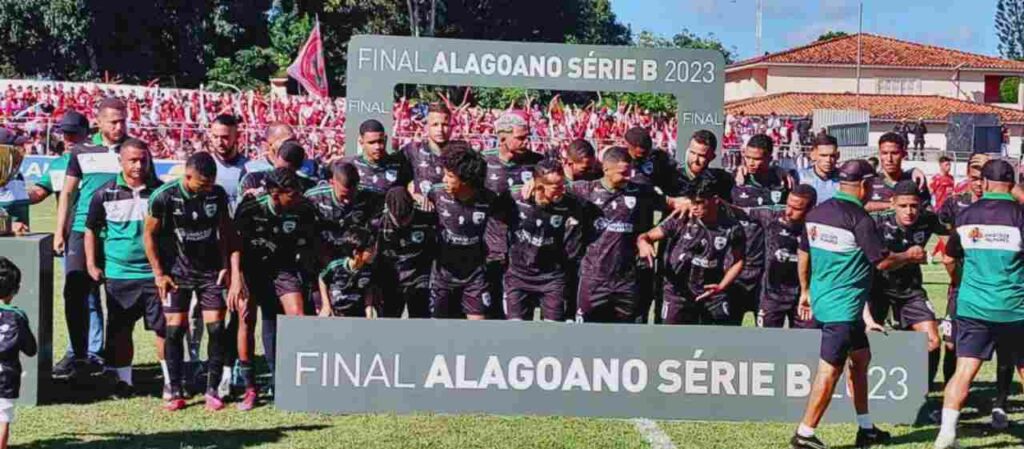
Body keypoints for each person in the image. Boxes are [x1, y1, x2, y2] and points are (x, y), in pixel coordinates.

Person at [791, 159, 923, 449]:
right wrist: (910, 256)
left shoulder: (817, 213)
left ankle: (866, 429)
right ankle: (804, 434)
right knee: (829, 370)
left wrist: (805, 289)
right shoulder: (860, 219)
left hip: (825, 301)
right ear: (864, 185)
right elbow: (883, 261)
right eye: (872, 184)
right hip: (843, 309)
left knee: (861, 359)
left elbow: (803, 252)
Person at [935, 160, 1024, 448]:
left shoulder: (965, 216)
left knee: (964, 371)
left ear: (984, 183)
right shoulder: (1020, 215)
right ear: (1012, 184)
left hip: (973, 307)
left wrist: (962, 284)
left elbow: (949, 258)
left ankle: (946, 434)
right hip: (1014, 308)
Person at [144, 152, 241, 412]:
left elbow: (226, 232)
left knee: (217, 329)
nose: (207, 189)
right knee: (174, 330)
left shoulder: (217, 195)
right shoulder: (163, 197)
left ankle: (213, 389)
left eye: (211, 184)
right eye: (202, 184)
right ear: (187, 177)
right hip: (176, 273)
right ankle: (175, 389)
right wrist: (159, 273)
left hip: (210, 272)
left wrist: (226, 266)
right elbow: (149, 235)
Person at [54, 98, 132, 378]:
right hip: (81, 230)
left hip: (118, 232)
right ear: (98, 122)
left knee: (117, 296)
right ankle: (79, 356)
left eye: (123, 121)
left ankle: (112, 361)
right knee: (75, 293)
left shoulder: (134, 149)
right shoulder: (81, 150)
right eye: (113, 121)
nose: (119, 126)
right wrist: (59, 231)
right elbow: (67, 193)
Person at [83, 139, 165, 398]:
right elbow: (90, 229)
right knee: (120, 331)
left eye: (143, 160)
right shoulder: (104, 193)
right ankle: (124, 382)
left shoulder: (161, 192)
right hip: (119, 275)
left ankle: (170, 382)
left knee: (164, 329)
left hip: (154, 275)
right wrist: (91, 263)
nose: (138, 165)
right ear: (121, 161)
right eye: (133, 160)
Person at [233, 168, 319, 409]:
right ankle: (250, 388)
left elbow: (311, 243)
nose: (297, 196)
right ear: (274, 193)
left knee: (298, 318)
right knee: (246, 320)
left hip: (283, 268)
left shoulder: (303, 208)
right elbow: (234, 245)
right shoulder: (251, 207)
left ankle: (294, 381)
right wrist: (237, 278)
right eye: (292, 192)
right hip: (250, 269)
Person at [572, 147, 676, 323]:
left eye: (630, 171)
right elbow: (552, 187)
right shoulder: (585, 190)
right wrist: (532, 184)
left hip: (627, 280)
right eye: (623, 173)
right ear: (606, 169)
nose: (629, 177)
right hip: (594, 277)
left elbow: (672, 203)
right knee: (586, 332)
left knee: (627, 333)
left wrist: (686, 203)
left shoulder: (641, 191)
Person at [637, 176, 745, 325]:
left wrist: (721, 286)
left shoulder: (732, 227)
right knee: (670, 337)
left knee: (718, 336)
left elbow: (738, 260)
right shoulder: (681, 218)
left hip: (710, 294)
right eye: (692, 202)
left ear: (715, 200)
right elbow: (647, 236)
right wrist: (643, 242)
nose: (694, 207)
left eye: (699, 202)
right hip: (677, 294)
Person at [870, 181, 945, 390]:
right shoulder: (877, 223)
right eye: (903, 206)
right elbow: (881, 263)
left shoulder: (929, 219)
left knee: (932, 341)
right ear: (893, 203)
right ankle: (865, 390)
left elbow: (952, 240)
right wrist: (908, 256)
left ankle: (923, 392)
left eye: (914, 206)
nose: (909, 211)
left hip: (910, 291)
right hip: (877, 289)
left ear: (921, 205)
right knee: (865, 342)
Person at [501, 159, 583, 321]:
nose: (563, 190)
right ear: (539, 187)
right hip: (518, 276)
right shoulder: (514, 198)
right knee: (515, 330)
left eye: (563, 184)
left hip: (552, 278)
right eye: (557, 187)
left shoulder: (571, 203)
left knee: (553, 331)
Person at [483, 111, 543, 320]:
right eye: (520, 138)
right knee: (492, 308)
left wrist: (539, 181)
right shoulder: (484, 161)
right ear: (502, 138)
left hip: (527, 249)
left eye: (527, 136)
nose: (527, 142)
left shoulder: (538, 163)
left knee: (521, 312)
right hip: (492, 248)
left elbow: (559, 182)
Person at [428, 141, 499, 320]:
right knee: (438, 328)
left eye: (450, 176)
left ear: (466, 179)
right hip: (443, 276)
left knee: (477, 328)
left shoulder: (489, 199)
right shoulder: (436, 194)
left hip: (475, 275)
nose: (444, 180)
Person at [730, 134, 792, 325]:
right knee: (728, 327)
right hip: (739, 268)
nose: (751, 163)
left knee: (765, 329)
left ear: (769, 158)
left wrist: (781, 170)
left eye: (757, 158)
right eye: (748, 157)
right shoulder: (734, 181)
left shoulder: (783, 183)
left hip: (769, 271)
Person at [305, 162, 380, 313]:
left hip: (356, 263)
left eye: (351, 195)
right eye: (343, 196)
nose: (347, 201)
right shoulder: (313, 198)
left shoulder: (372, 197)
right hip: (323, 261)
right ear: (332, 182)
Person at [741, 184, 817, 329]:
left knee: (807, 339)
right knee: (766, 340)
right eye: (788, 205)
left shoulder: (820, 226)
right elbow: (739, 211)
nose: (788, 212)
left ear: (811, 209)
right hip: (772, 294)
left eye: (796, 209)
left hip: (804, 295)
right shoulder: (772, 216)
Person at [375, 186, 436, 319]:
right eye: (397, 219)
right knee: (388, 319)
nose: (402, 223)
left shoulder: (427, 219)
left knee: (420, 318)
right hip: (391, 279)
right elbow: (375, 257)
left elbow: (434, 250)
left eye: (405, 218)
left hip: (418, 278)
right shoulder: (378, 223)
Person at [0, 257, 37, 449]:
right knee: (3, 417)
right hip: (6, 376)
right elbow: (31, 349)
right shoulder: (17, 317)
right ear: (16, 289)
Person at [27, 111, 90, 209]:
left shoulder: (98, 159)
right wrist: (13, 196)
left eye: (74, 133)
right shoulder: (58, 164)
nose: (69, 138)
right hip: (67, 218)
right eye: (65, 133)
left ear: (86, 134)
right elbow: (39, 192)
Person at [318, 227, 380, 318]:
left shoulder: (369, 269)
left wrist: (369, 310)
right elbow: (322, 279)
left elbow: (368, 289)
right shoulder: (335, 266)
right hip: (336, 313)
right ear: (356, 253)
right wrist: (326, 305)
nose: (375, 253)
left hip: (358, 315)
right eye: (370, 250)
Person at [866, 133, 930, 212]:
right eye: (885, 153)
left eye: (894, 153)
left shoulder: (915, 180)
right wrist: (892, 205)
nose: (889, 159)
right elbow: (858, 206)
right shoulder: (869, 181)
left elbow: (927, 209)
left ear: (904, 154)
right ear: (879, 154)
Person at [344, 119, 409, 197]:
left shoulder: (399, 165)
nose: (377, 147)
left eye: (380, 141)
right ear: (361, 142)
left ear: (386, 139)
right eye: (371, 143)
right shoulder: (350, 166)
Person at [399, 103, 451, 198]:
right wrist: (412, 193)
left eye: (445, 125)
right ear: (427, 127)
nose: (440, 129)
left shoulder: (461, 152)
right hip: (422, 206)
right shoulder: (412, 150)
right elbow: (398, 182)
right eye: (435, 125)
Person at [239, 140, 316, 197]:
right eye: (279, 170)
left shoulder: (308, 188)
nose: (281, 176)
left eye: (286, 172)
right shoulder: (253, 179)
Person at [0, 130, 31, 236]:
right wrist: (8, 226)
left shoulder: (17, 175)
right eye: (16, 147)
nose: (22, 150)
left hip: (18, 243)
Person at [798, 134, 840, 205]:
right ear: (813, 155)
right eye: (823, 155)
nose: (828, 160)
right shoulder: (800, 177)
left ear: (838, 156)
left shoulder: (845, 180)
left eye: (832, 156)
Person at [929, 156, 955, 261]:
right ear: (940, 165)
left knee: (947, 233)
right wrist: (929, 207)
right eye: (946, 165)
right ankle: (940, 254)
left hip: (950, 210)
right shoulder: (936, 178)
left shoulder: (951, 178)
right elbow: (929, 192)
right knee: (946, 233)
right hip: (940, 210)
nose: (949, 167)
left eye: (949, 165)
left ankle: (935, 253)